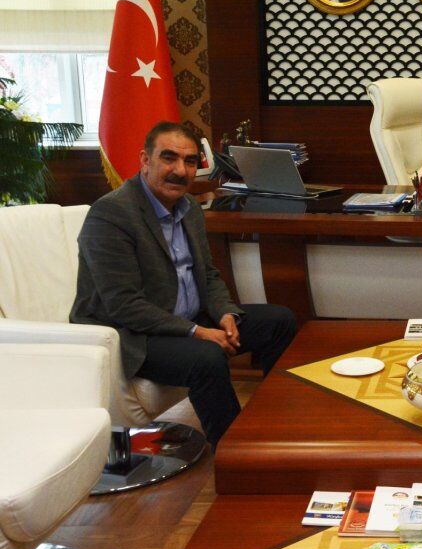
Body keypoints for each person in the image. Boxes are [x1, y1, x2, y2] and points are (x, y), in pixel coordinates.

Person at [71, 122, 297, 449]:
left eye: (190, 161)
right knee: (207, 357)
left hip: (182, 321)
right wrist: (197, 332)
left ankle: (280, 429)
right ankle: (235, 454)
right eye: (169, 158)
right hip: (130, 335)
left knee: (279, 320)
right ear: (144, 160)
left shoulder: (189, 208)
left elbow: (207, 274)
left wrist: (225, 314)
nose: (180, 170)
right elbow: (123, 305)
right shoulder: (111, 214)